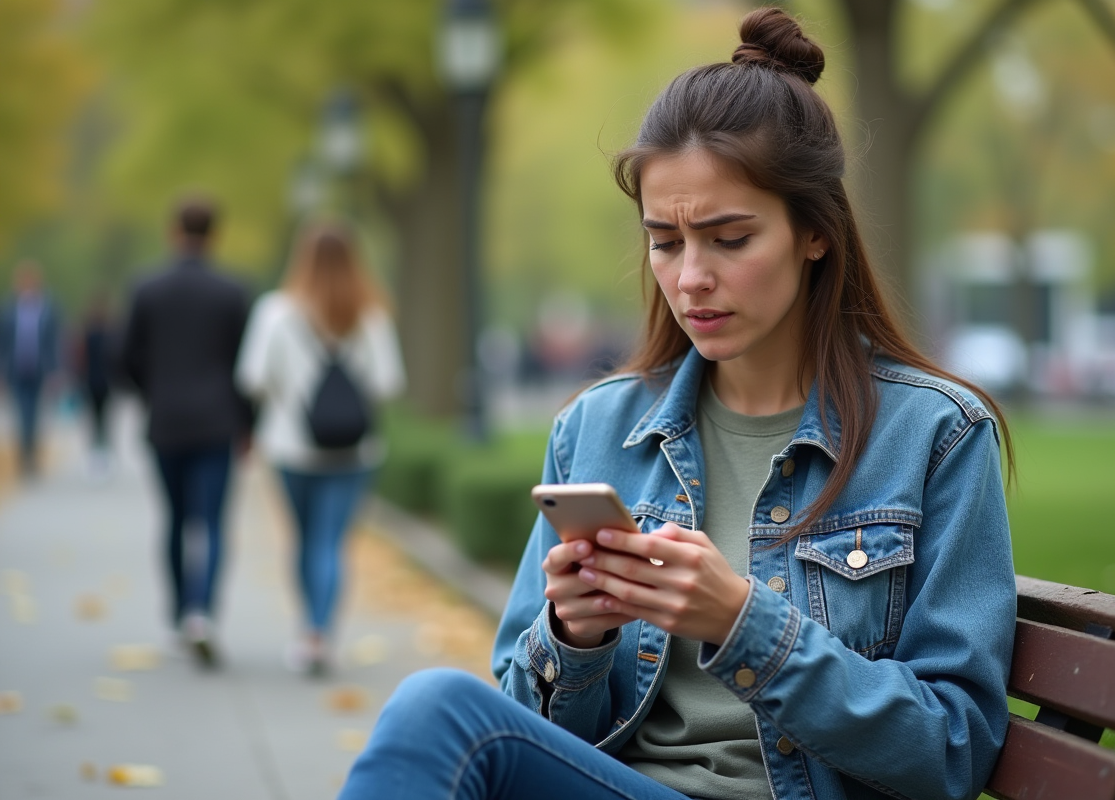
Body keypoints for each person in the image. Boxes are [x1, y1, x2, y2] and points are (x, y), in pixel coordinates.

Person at [340, 8, 1017, 800]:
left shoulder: (933, 434)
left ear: (815, 234)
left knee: (436, 708)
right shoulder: (598, 428)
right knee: (439, 710)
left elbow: (952, 750)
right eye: (666, 242)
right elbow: (527, 726)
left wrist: (746, 626)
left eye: (730, 240)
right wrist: (576, 637)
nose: (691, 276)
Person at [236, 222, 404, 677]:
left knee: (303, 539)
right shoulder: (370, 315)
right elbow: (388, 382)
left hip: (290, 448)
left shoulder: (275, 312)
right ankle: (320, 633)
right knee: (331, 541)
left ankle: (307, 631)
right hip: (354, 451)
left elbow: (251, 378)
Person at [119, 196, 252, 668]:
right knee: (213, 522)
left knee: (175, 520)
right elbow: (247, 365)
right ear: (214, 234)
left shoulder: (147, 288)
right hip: (218, 422)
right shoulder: (233, 291)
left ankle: (178, 614)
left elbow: (126, 358)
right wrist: (247, 423)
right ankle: (203, 613)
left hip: (167, 420)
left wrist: (153, 391)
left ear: (174, 231)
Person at [0, 261, 60, 477]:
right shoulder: (9, 309)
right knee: (21, 413)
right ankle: (24, 456)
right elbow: (3, 342)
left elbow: (54, 341)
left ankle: (31, 454)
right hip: (15, 368)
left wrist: (55, 371)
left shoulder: (48, 308)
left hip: (38, 368)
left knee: (34, 414)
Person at [74, 292, 116, 474]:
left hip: (93, 381)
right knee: (102, 420)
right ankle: (102, 455)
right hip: (102, 382)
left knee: (96, 420)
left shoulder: (89, 333)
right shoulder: (108, 333)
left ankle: (98, 455)